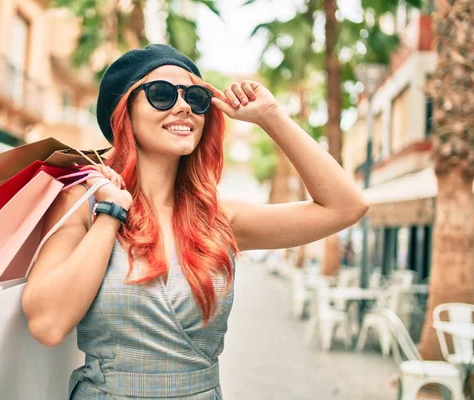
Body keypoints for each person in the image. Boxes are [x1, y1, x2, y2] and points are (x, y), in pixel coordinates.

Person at [21, 44, 368, 399]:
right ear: (124, 112)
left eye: (197, 98)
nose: (184, 106)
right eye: (161, 94)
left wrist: (271, 116)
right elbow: (48, 324)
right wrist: (112, 214)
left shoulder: (218, 219)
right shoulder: (82, 203)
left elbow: (345, 206)